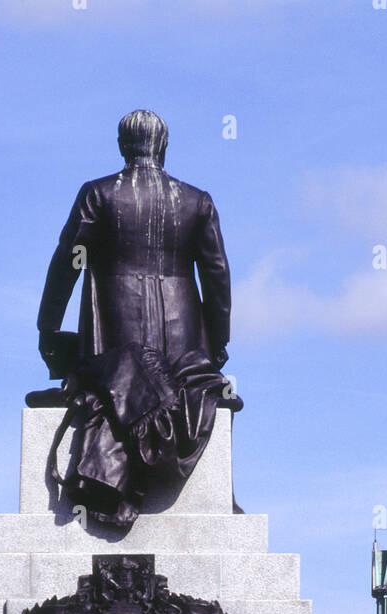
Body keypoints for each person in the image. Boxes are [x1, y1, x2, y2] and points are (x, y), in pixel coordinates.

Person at [35, 110, 240, 527]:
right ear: (163, 146)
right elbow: (217, 276)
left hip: (116, 331)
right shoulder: (197, 201)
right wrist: (217, 345)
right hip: (184, 336)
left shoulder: (98, 194)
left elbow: (67, 261)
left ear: (122, 146)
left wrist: (49, 326)